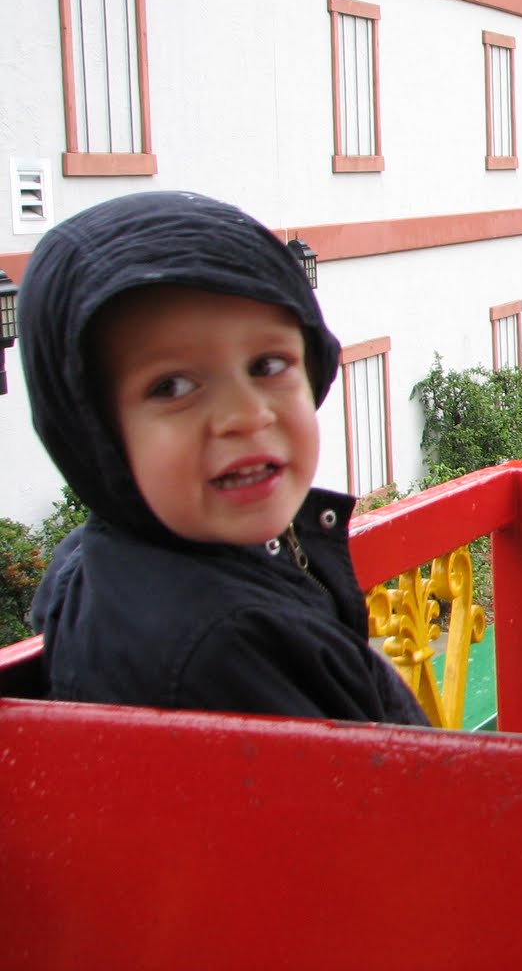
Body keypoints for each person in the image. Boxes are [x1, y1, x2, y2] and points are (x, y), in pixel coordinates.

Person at [21, 191, 427, 724]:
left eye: (267, 364)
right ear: (93, 433)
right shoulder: (219, 649)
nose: (246, 415)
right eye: (172, 385)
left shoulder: (103, 562)